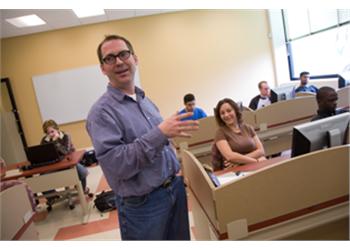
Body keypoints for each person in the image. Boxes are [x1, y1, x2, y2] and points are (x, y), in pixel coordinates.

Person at [86, 34, 199, 240]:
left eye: (123, 54)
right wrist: (161, 133)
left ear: (135, 58)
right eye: (110, 58)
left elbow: (161, 145)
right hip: (144, 205)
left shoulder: (145, 101)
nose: (119, 61)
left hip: (174, 189)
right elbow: (118, 165)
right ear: (103, 68)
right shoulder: (101, 113)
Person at [212, 98, 266, 171]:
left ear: (235, 111)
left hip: (254, 167)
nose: (226, 115)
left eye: (229, 111)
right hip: (236, 172)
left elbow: (261, 150)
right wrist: (256, 161)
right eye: (222, 113)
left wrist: (240, 161)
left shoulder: (248, 128)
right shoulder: (220, 132)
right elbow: (230, 156)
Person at [41, 119, 90, 194]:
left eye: (52, 131)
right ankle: (53, 198)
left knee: (82, 171)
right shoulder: (45, 140)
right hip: (55, 164)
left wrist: (55, 142)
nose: (51, 134)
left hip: (68, 162)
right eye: (48, 133)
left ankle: (83, 190)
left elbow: (66, 152)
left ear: (57, 129)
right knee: (42, 177)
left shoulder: (66, 136)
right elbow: (43, 153)